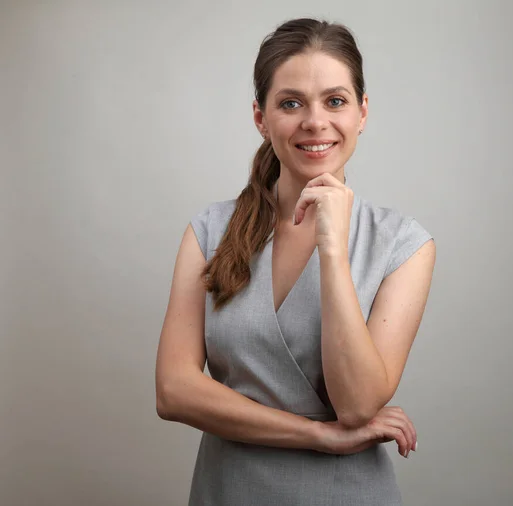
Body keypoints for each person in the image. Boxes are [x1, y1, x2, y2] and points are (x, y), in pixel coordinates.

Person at [155, 17, 436, 506]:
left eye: (335, 101)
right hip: (228, 491)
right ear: (261, 119)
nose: (314, 121)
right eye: (290, 103)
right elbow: (174, 390)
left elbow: (356, 405)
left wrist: (332, 249)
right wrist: (317, 436)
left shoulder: (404, 244)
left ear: (362, 112)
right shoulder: (209, 232)